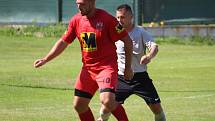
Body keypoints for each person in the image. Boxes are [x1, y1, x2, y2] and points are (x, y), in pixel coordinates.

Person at [33, 0, 133, 121]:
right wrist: (45, 59)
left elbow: (127, 41)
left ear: (92, 2)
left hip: (106, 68)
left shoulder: (108, 19)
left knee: (107, 101)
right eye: (77, 3)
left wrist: (128, 68)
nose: (79, 7)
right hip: (88, 69)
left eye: (82, 4)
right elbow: (63, 42)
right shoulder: (76, 20)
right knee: (79, 105)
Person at [98, 4, 166, 121]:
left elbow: (154, 46)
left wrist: (149, 56)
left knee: (157, 109)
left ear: (131, 17)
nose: (120, 20)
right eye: (118, 17)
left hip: (140, 78)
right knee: (106, 108)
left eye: (123, 17)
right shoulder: (114, 32)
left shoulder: (140, 31)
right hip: (121, 78)